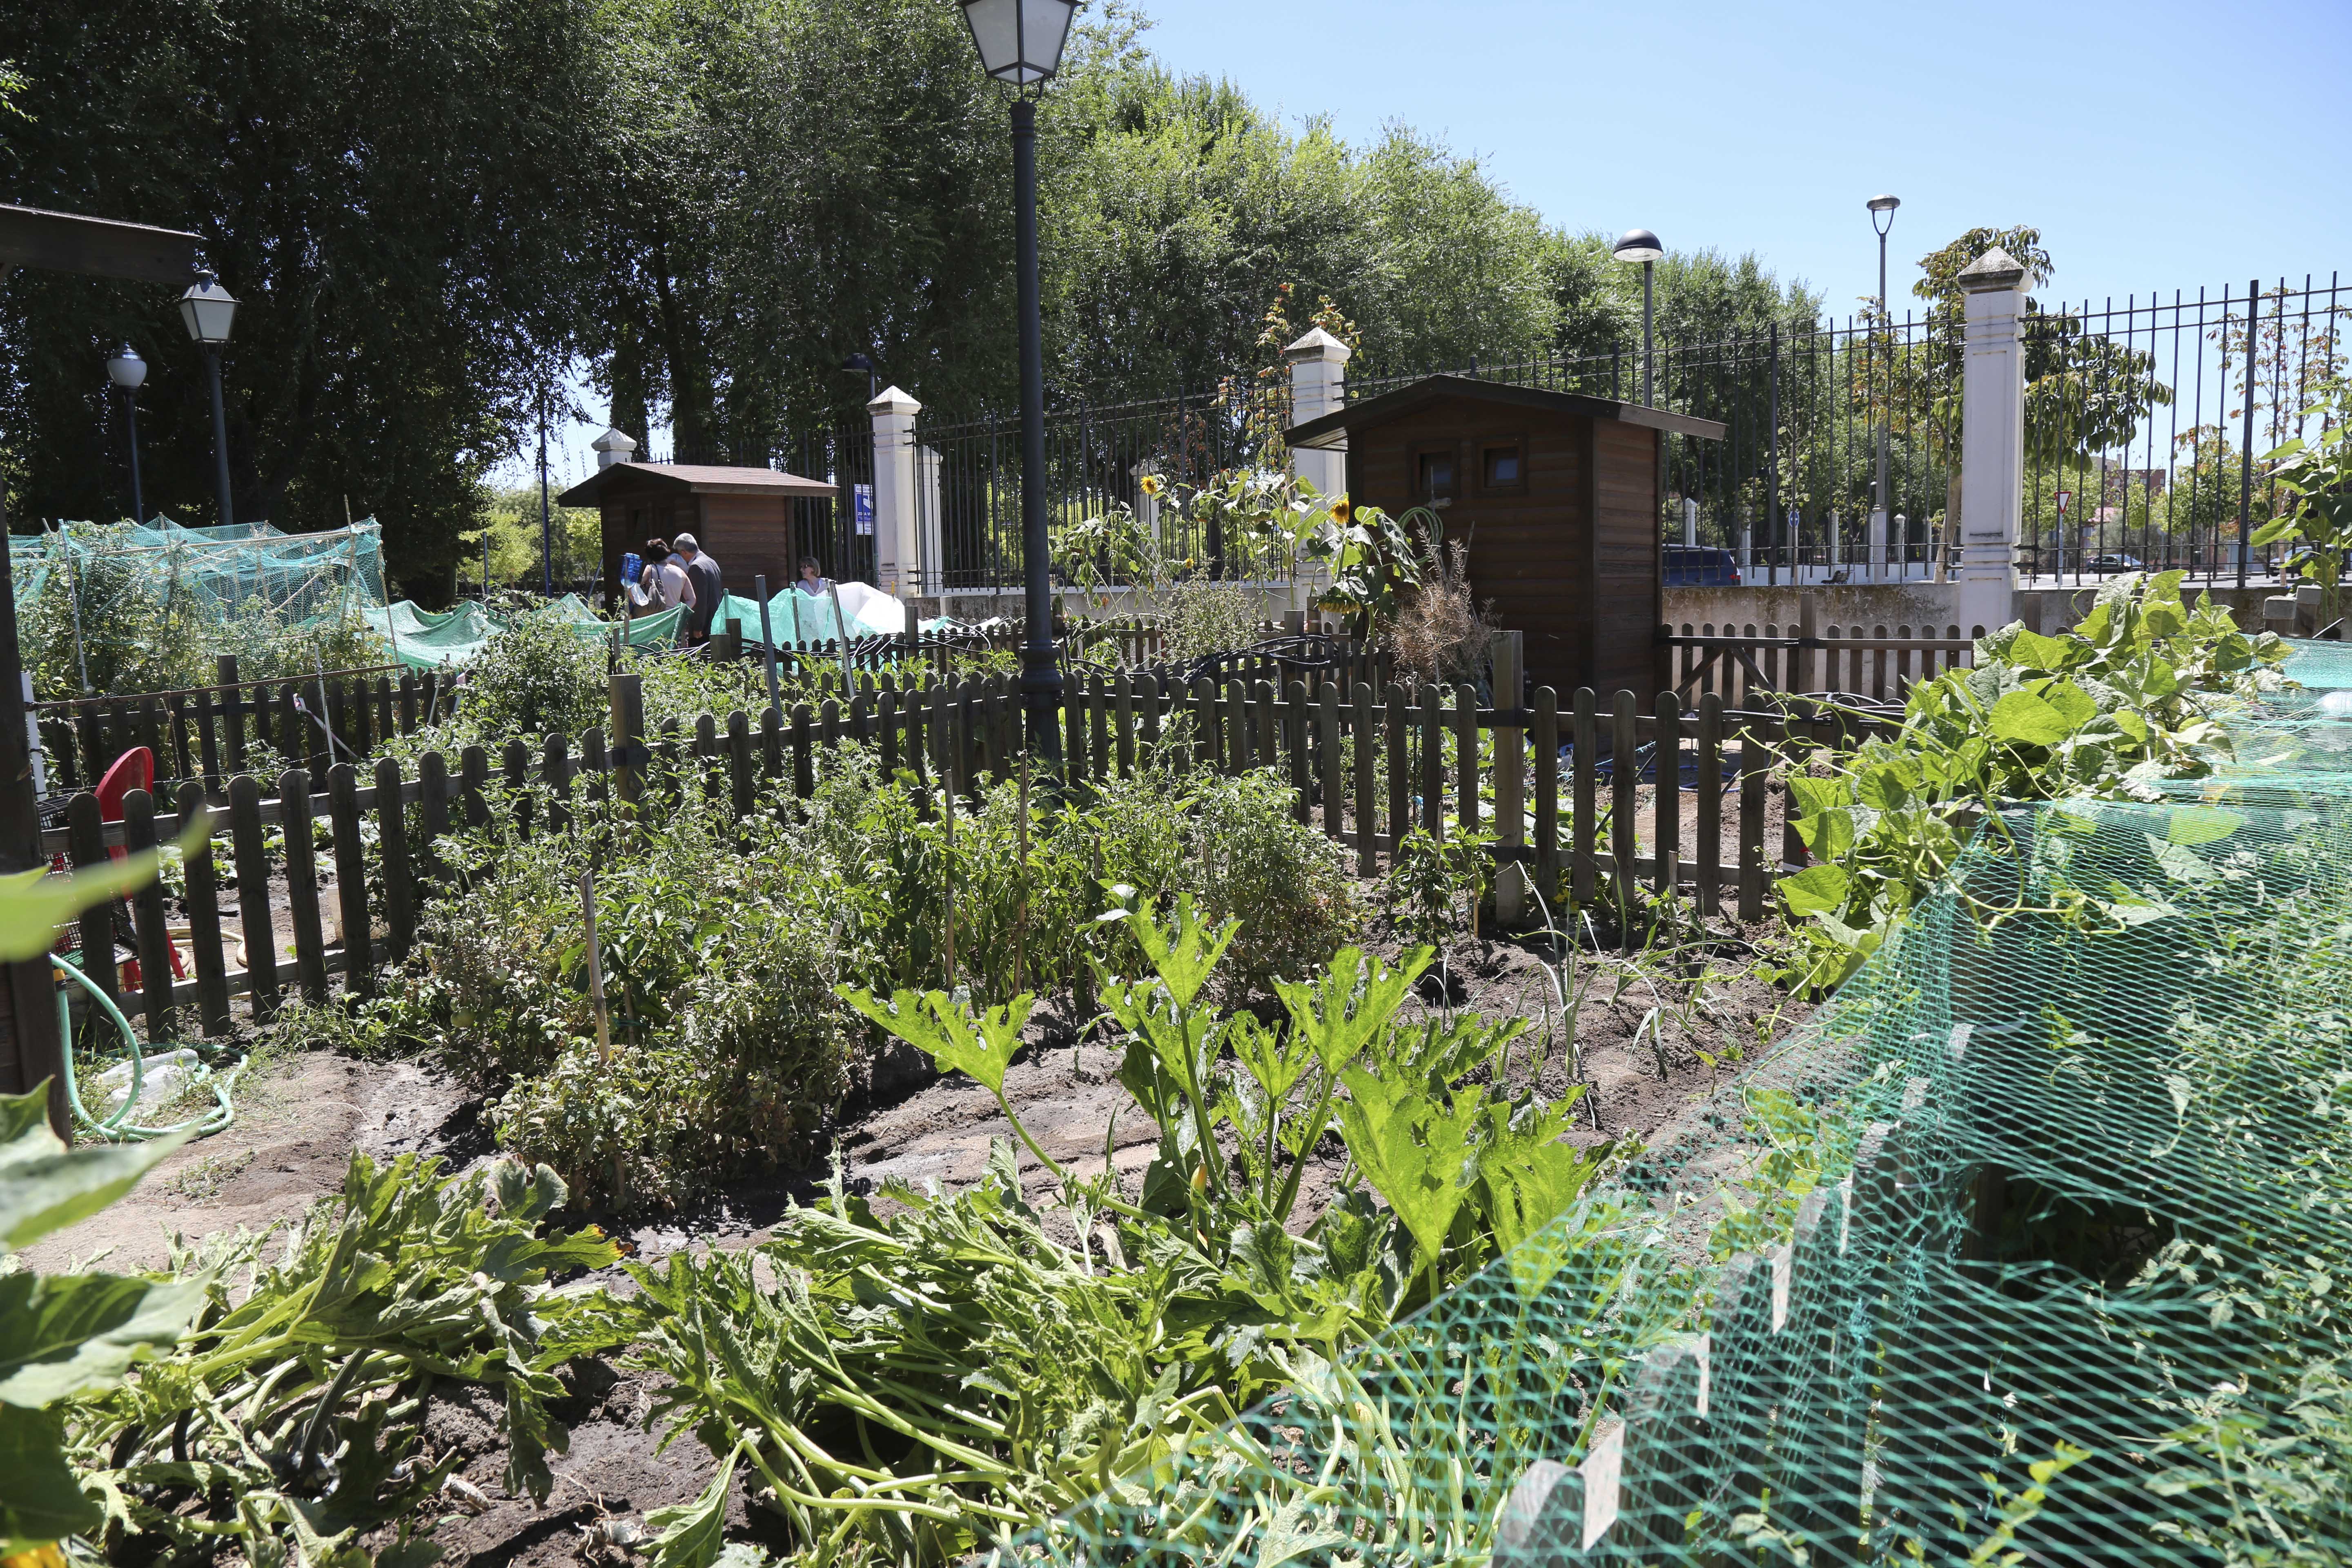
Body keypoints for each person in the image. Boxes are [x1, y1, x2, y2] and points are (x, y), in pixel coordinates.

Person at [675, 532, 725, 646]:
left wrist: (698, 626)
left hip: (703, 628)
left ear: (684, 552)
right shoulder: (711, 562)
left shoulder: (696, 567)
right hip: (714, 622)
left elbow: (699, 601)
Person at [638, 538, 694, 613]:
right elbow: (692, 599)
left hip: (655, 616)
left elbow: (636, 586)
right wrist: (679, 613)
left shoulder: (650, 569)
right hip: (673, 618)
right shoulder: (681, 572)